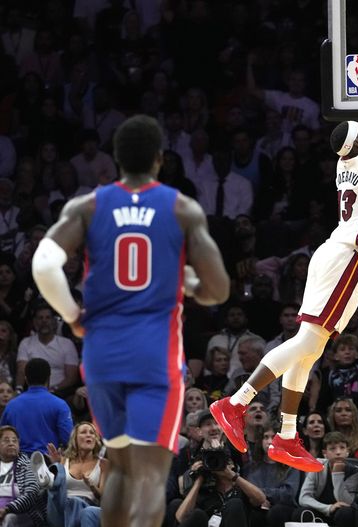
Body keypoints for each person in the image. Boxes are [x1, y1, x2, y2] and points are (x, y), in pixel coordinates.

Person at [210, 25, 358, 471]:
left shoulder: (350, 158)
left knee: (308, 347)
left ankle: (286, 435)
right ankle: (236, 402)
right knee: (309, 342)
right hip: (348, 257)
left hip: (332, 253)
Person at [30, 114, 230, 527]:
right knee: (151, 476)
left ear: (117, 160)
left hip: (104, 355)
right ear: (159, 159)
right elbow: (219, 289)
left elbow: (44, 264)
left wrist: (72, 315)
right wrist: (189, 281)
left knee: (120, 466)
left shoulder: (88, 206)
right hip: (154, 356)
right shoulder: (181, 208)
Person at [32, 422, 106, 527]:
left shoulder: (103, 464)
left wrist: (92, 486)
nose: (88, 435)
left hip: (87, 505)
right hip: (61, 509)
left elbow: (104, 496)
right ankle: (49, 479)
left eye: (92, 433)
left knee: (74, 501)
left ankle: (51, 480)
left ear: (96, 439)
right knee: (58, 468)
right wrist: (57, 463)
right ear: (75, 439)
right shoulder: (64, 460)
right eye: (83, 432)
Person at [0, 359, 72, 456]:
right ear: (48, 378)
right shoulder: (60, 404)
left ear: (26, 379)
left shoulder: (11, 406)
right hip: (49, 461)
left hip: (17, 461)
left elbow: (2, 437)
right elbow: (68, 439)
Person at [294, 431, 358, 527]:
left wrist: (337, 474)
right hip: (322, 510)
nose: (338, 452)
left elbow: (346, 502)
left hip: (342, 513)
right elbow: (303, 498)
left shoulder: (355, 471)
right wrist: (328, 508)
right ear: (325, 453)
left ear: (347, 452)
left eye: (342, 448)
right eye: (333, 449)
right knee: (300, 512)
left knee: (345, 512)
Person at [0, 425, 47, 527]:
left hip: (22, 514)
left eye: (14, 440)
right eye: (6, 440)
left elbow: (32, 492)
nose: (11, 443)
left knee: (9, 519)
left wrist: (7, 509)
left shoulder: (27, 465)